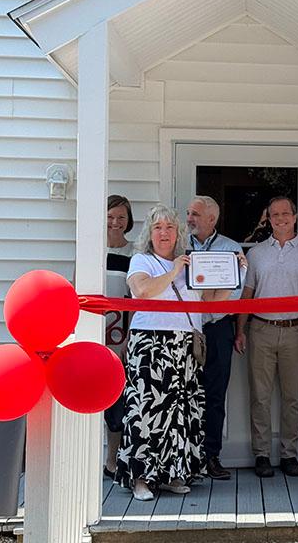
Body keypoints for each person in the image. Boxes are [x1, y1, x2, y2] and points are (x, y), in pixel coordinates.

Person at [116, 204, 229, 502]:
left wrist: (235, 274)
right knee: (145, 412)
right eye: (157, 227)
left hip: (184, 345)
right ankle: (141, 478)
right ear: (149, 233)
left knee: (181, 412)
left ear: (177, 233)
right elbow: (142, 291)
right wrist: (176, 270)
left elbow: (213, 302)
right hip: (150, 345)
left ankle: (172, 474)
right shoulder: (142, 260)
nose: (164, 233)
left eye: (169, 227)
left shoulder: (191, 262)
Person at [235, 197, 298, 478]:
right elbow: (247, 296)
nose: (280, 218)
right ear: (269, 218)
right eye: (275, 214)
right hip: (260, 330)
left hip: (296, 332)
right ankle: (261, 455)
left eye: (286, 213)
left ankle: (289, 454)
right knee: (260, 397)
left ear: (295, 216)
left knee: (292, 398)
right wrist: (240, 330)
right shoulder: (256, 254)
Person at [186, 196, 247, 480]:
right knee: (182, 393)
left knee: (214, 395)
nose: (189, 218)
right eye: (188, 213)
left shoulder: (231, 250)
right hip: (185, 328)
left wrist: (208, 301)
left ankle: (211, 456)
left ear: (212, 219)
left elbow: (231, 294)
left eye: (195, 214)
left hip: (219, 328)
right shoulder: (177, 247)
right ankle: (184, 458)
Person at [103, 194, 135, 479]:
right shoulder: (91, 252)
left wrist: (128, 341)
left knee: (117, 402)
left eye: (121, 217)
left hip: (121, 337)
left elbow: (137, 300)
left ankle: (112, 460)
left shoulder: (133, 254)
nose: (115, 222)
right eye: (111, 216)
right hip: (94, 336)